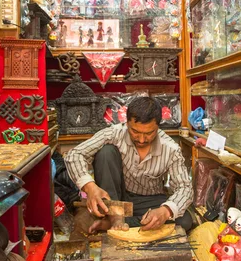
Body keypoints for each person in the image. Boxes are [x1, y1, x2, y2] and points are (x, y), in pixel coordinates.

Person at [64, 97, 194, 232]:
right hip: (116, 198)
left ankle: (113, 223)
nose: (142, 140)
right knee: (106, 152)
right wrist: (90, 188)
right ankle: (115, 218)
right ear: (127, 123)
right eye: (135, 132)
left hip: (149, 200)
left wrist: (165, 211)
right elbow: (74, 155)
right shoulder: (114, 133)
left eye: (149, 133)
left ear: (158, 127)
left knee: (184, 220)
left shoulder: (171, 148)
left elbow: (185, 187)